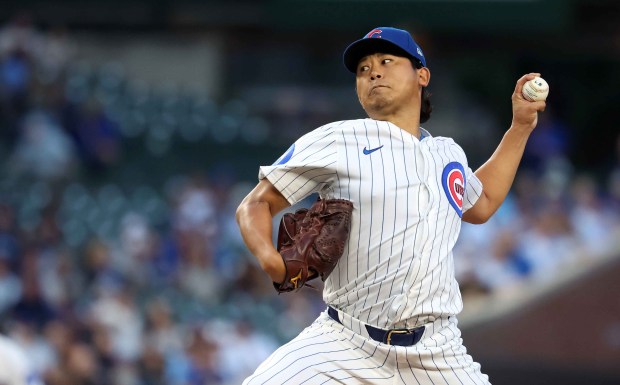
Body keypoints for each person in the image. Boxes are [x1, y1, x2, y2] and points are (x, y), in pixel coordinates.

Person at [236, 26, 546, 384]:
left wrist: (520, 127)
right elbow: (255, 203)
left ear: (422, 75)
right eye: (363, 70)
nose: (373, 72)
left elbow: (483, 203)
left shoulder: (447, 152)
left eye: (386, 61)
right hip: (345, 342)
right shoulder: (338, 139)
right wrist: (270, 259)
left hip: (437, 351)